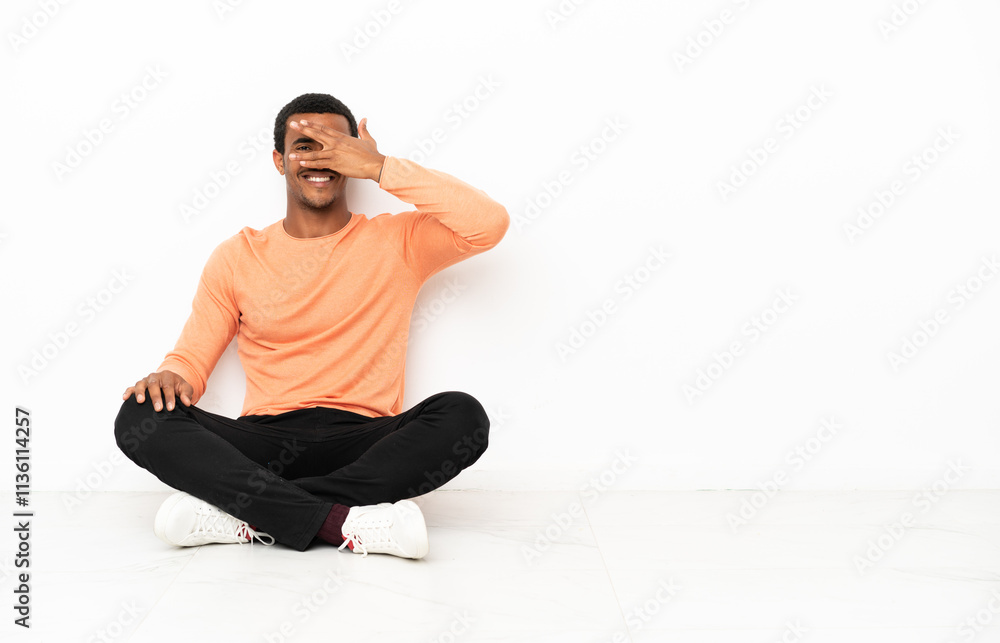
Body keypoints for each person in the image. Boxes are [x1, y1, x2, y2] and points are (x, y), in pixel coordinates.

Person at [113, 93, 509, 559]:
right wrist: (171, 377)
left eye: (336, 146)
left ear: (353, 157)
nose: (320, 158)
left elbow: (489, 223)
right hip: (263, 441)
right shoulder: (238, 255)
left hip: (364, 441)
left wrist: (381, 166)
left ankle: (251, 512)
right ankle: (343, 521)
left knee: (462, 415)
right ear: (280, 161)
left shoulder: (398, 240)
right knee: (140, 416)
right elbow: (191, 361)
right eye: (305, 145)